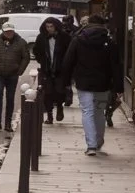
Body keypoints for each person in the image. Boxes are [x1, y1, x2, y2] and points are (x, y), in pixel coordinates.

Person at [60, 13, 122, 156]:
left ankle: (91, 145)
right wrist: (118, 86)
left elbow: (68, 61)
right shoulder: (109, 41)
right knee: (99, 112)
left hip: (84, 82)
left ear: (88, 24)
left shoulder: (78, 40)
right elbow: (116, 65)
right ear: (103, 25)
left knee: (87, 111)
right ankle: (98, 141)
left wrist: (66, 82)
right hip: (103, 83)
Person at [0, 22, 32, 132]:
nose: (9, 33)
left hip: (13, 73)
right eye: (6, 32)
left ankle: (8, 123)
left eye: (10, 31)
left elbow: (26, 57)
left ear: (13, 31)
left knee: (10, 97)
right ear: (3, 32)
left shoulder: (21, 42)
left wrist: (20, 70)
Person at [31, 17, 69, 125]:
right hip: (46, 70)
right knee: (47, 93)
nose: (49, 29)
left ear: (56, 26)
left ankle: (60, 107)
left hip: (60, 70)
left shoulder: (64, 37)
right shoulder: (41, 37)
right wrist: (42, 61)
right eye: (47, 27)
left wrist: (65, 64)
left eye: (51, 26)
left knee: (60, 92)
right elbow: (36, 50)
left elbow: (69, 52)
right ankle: (49, 115)